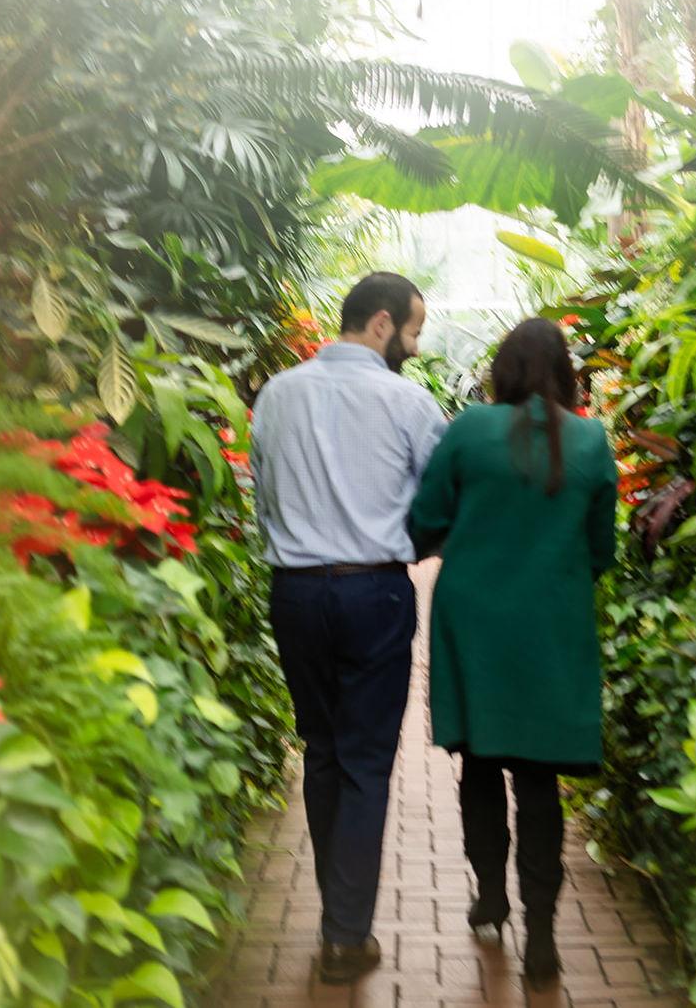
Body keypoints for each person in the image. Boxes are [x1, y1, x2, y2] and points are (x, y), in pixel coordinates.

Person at [408, 317, 618, 990]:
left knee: (480, 764)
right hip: (551, 624)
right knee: (538, 781)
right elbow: (602, 548)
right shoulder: (589, 439)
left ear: (500, 369)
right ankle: (543, 936)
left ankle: (491, 898)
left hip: (473, 620)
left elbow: (425, 518)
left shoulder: (470, 429)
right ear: (565, 373)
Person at [250, 272, 447, 984]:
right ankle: (344, 933)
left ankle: (339, 917)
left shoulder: (277, 394)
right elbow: (440, 499)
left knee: (325, 750)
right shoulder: (408, 401)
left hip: (296, 593)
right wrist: (412, 545)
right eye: (413, 332)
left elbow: (263, 496)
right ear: (382, 323)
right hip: (374, 593)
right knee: (365, 761)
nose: (415, 347)